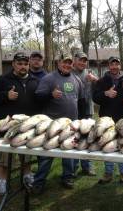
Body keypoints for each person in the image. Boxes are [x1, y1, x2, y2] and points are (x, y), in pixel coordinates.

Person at [32, 53, 86, 193]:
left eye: (69, 63)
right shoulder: (49, 78)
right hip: (52, 125)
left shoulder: (76, 80)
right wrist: (51, 95)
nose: (67, 65)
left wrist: (82, 120)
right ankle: (39, 181)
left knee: (68, 152)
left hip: (71, 125)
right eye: (64, 63)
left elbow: (81, 102)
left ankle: (67, 177)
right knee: (46, 154)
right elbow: (37, 97)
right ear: (58, 63)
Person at [0, 52, 38, 195]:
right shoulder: (3, 80)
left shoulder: (34, 80)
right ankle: (2, 182)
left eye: (25, 64)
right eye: (20, 63)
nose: (23, 66)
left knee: (26, 155)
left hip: (26, 127)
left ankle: (27, 177)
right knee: (3, 157)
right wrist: (5, 95)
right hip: (5, 126)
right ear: (14, 64)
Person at [92, 56, 123, 185]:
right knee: (108, 144)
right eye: (112, 64)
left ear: (120, 66)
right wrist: (105, 94)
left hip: (122, 118)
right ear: (109, 66)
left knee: (122, 144)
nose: (114, 66)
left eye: (117, 64)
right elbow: (95, 98)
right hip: (106, 119)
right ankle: (108, 173)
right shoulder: (102, 81)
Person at [72, 51, 97, 176]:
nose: (82, 62)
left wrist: (94, 80)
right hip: (75, 110)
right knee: (75, 137)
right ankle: (74, 167)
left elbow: (101, 86)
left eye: (84, 60)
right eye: (80, 60)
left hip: (88, 110)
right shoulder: (70, 73)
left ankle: (87, 166)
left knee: (88, 138)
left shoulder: (90, 73)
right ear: (74, 60)